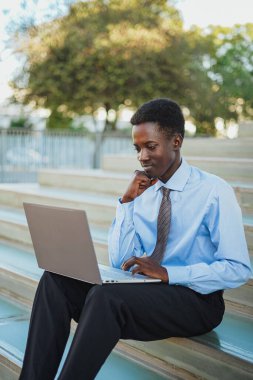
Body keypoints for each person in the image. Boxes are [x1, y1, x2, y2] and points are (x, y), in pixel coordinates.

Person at [19, 98, 252, 380]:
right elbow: (120, 261)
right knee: (55, 280)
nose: (142, 156)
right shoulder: (143, 190)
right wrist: (127, 202)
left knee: (106, 298)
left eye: (150, 146)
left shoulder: (214, 191)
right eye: (138, 148)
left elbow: (239, 268)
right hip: (146, 292)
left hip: (197, 301)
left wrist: (169, 273)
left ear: (176, 141)